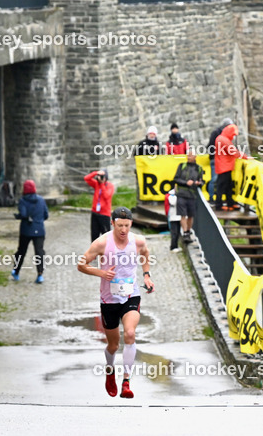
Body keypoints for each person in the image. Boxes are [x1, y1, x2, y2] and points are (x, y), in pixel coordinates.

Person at [77, 207, 155, 400]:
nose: (123, 230)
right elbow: (81, 264)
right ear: (112, 223)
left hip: (131, 295)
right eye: (120, 225)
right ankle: (110, 370)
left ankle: (126, 382)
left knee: (130, 334)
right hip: (109, 299)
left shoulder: (138, 241)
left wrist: (146, 275)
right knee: (113, 345)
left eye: (127, 226)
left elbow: (145, 254)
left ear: (131, 224)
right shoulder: (102, 243)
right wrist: (101, 273)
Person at [11, 179, 49, 284]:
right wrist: (38, 220)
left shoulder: (23, 201)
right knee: (39, 252)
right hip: (39, 230)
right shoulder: (41, 200)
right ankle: (40, 274)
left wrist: (18, 216)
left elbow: (23, 214)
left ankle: (16, 271)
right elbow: (46, 215)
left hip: (26, 230)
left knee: (21, 251)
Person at [166, 151, 203, 249]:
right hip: (181, 194)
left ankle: (188, 231)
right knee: (183, 214)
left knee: (191, 215)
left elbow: (202, 181)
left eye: (190, 155)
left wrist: (198, 183)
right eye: (188, 155)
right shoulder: (181, 166)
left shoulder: (199, 168)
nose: (188, 157)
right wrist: (186, 182)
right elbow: (176, 179)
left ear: (195, 156)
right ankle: (185, 232)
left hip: (192, 194)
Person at [213, 121, 248, 212]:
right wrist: (246, 157)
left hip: (224, 166)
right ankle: (219, 205)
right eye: (233, 134)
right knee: (221, 187)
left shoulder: (221, 138)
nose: (233, 136)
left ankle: (230, 203)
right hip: (224, 167)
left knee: (228, 186)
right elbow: (234, 152)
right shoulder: (224, 140)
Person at [84, 169, 114, 242]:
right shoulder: (96, 184)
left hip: (104, 214)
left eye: (102, 176)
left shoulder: (110, 186)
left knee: (106, 236)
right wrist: (96, 173)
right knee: (94, 235)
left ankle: (107, 249)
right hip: (95, 213)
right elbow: (86, 178)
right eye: (99, 176)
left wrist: (102, 184)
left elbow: (107, 196)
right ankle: (94, 248)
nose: (100, 178)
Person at [206, 120, 229, 205]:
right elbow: (211, 146)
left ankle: (217, 198)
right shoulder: (217, 133)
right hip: (216, 159)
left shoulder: (218, 133)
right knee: (214, 179)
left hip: (220, 159)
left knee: (218, 179)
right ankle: (212, 198)